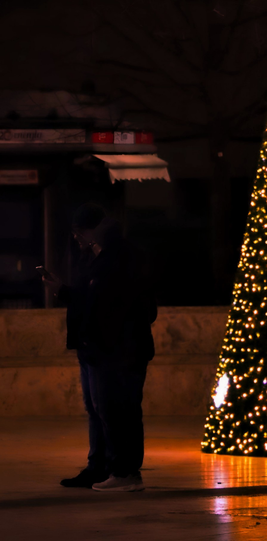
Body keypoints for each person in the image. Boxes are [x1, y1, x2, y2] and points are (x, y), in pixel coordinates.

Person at [40, 203, 157, 491]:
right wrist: (64, 292)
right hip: (95, 348)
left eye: (80, 233)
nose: (78, 240)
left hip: (115, 351)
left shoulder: (120, 258)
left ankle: (125, 471)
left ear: (94, 231)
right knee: (99, 408)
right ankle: (100, 467)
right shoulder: (92, 259)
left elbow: (123, 304)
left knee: (118, 409)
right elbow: (89, 299)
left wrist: (112, 339)